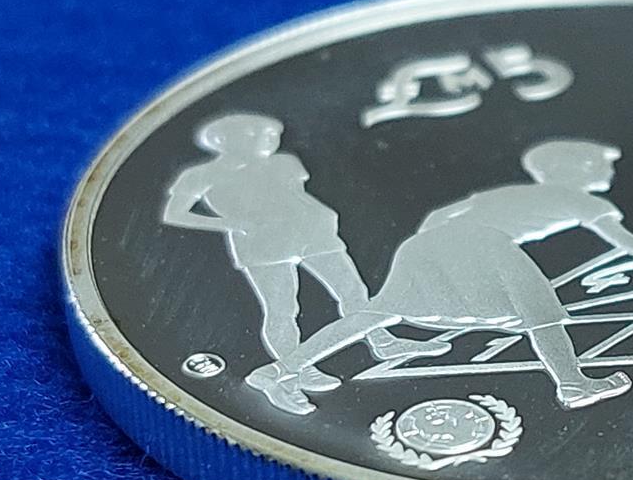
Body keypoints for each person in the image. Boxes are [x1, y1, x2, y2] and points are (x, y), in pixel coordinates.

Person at [245, 140, 633, 414]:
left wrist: (438, 259)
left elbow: (439, 216)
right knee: (540, 310)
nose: (605, 169)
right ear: (571, 169)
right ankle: (572, 384)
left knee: (377, 313)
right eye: (596, 161)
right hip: (481, 244)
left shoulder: (507, 193)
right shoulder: (580, 199)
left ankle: (280, 368)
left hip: (426, 244)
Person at [162, 114, 447, 393]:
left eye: (272, 134)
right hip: (263, 244)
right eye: (257, 133)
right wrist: (233, 224)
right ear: (225, 139)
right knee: (283, 307)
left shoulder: (284, 162)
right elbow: (175, 214)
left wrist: (325, 216)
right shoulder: (201, 175)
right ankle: (297, 368)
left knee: (353, 291)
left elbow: (294, 195)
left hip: (313, 234)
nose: (269, 139)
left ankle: (383, 342)